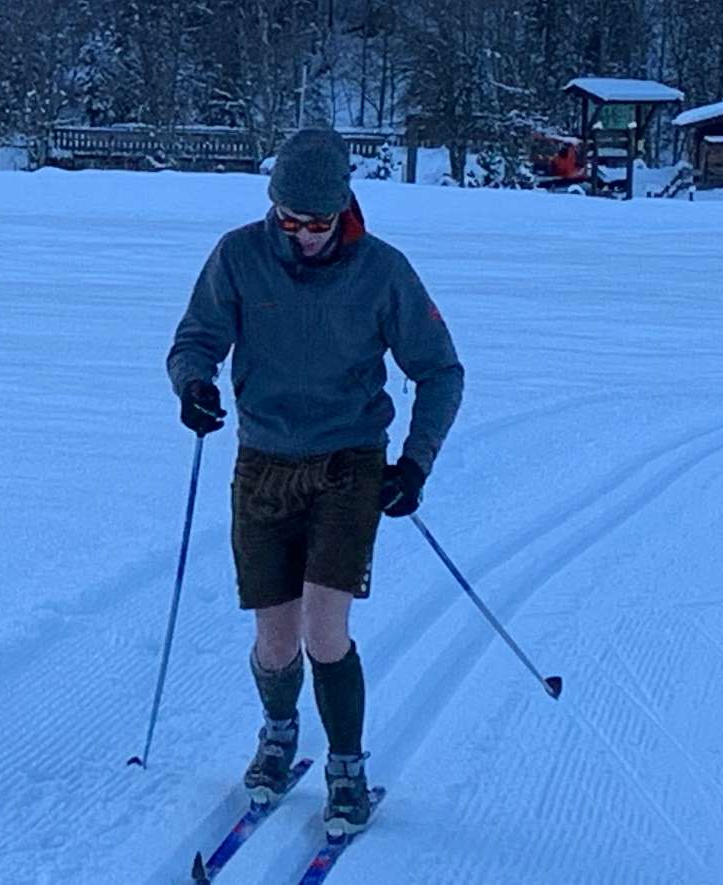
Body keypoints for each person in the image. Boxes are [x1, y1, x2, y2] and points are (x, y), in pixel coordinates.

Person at [166, 129, 463, 836]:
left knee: (324, 629)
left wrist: (415, 462)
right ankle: (277, 734)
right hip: (263, 462)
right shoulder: (239, 255)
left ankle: (347, 767)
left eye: (317, 223)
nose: (300, 236)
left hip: (347, 463)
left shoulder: (382, 271)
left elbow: (441, 371)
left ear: (344, 211)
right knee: (276, 640)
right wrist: (194, 386)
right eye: (289, 220)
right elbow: (194, 340)